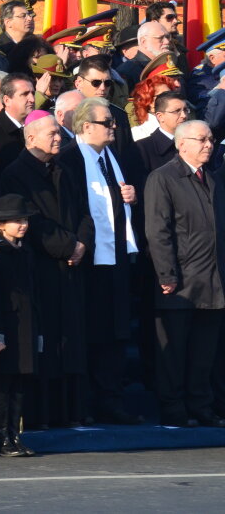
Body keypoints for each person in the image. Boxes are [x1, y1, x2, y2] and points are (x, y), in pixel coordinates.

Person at [57, 97, 143, 425]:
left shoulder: (110, 156)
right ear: (86, 126)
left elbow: (115, 199)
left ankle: (111, 397)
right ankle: (89, 400)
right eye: (107, 122)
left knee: (116, 331)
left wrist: (130, 197)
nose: (114, 127)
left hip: (116, 257)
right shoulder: (70, 159)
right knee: (92, 330)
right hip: (88, 260)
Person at [2, 114, 88, 429]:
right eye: (52, 133)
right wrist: (69, 247)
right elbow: (30, 222)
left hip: (71, 269)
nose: (58, 138)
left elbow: (84, 212)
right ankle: (43, 414)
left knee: (70, 341)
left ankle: (70, 412)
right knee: (48, 343)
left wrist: (82, 244)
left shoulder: (65, 169)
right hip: (41, 269)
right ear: (31, 137)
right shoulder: (16, 174)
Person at [144, 120, 225, 428]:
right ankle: (174, 408)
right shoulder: (163, 178)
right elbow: (158, 230)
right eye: (202, 139)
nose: (209, 144)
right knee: (174, 353)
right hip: (179, 282)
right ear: (182, 144)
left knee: (204, 353)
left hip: (212, 280)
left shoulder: (213, 179)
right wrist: (166, 274)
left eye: (211, 139)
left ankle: (201, 405)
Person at [0, 194, 39, 457]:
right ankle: (0, 436)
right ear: (1, 224)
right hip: (5, 325)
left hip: (25, 325)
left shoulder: (26, 250)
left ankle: (14, 435)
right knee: (2, 382)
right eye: (17, 221)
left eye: (25, 220)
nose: (23, 225)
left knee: (19, 381)